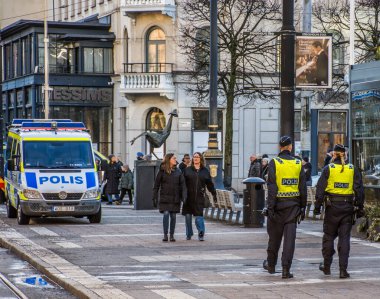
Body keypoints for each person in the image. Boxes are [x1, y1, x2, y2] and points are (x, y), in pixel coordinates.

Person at [314, 144, 364, 279]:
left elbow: (320, 190)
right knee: (344, 238)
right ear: (345, 155)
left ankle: (326, 266)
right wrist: (360, 207)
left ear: (333, 155)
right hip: (347, 207)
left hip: (332, 207)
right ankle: (343, 270)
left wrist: (317, 207)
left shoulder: (328, 168)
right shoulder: (352, 169)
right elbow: (359, 190)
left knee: (329, 236)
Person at [263, 136, 307, 279]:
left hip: (277, 206)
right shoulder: (298, 163)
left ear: (280, 147)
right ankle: (286, 269)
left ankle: (270, 265)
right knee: (290, 240)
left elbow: (272, 187)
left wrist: (270, 208)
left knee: (274, 238)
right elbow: (302, 187)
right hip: (293, 206)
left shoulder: (274, 162)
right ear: (290, 147)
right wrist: (303, 207)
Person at [182, 152, 217, 241]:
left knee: (199, 217)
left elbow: (210, 184)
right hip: (188, 197)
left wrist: (214, 194)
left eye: (197, 157)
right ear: (192, 159)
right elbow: (182, 184)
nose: (196, 158)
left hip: (199, 197)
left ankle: (201, 233)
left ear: (201, 159)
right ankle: (189, 234)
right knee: (188, 217)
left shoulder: (205, 171)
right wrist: (182, 195)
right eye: (194, 157)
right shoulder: (187, 170)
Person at [153, 153, 187, 242]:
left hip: (175, 197)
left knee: (173, 216)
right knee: (166, 214)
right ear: (169, 160)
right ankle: (165, 235)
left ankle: (171, 235)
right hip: (165, 197)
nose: (175, 159)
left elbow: (183, 185)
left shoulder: (178, 171)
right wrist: (154, 197)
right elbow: (156, 185)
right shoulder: (162, 170)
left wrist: (184, 196)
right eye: (174, 158)